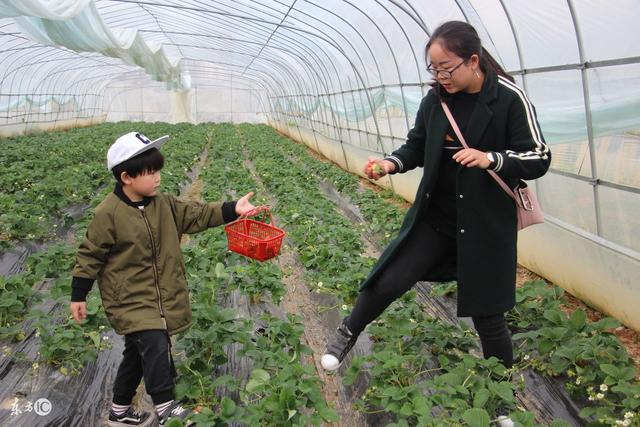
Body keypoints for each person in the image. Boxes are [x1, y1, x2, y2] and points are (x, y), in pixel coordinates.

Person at [321, 19, 550, 413]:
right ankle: (347, 332)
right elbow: (415, 146)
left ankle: (501, 403)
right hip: (437, 218)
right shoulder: (435, 101)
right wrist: (391, 164)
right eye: (434, 68)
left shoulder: (509, 99)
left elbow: (538, 156)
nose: (440, 75)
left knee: (489, 317)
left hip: (485, 228)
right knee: (390, 275)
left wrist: (492, 158)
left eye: (447, 67)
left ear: (472, 61)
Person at [69, 131, 255, 427]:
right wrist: (79, 293)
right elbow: (91, 253)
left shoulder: (164, 204)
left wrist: (234, 209)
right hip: (128, 297)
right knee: (155, 342)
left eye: (158, 170)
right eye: (151, 171)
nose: (157, 177)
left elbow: (198, 215)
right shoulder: (109, 213)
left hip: (161, 294)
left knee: (137, 354)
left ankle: (119, 412)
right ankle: (166, 406)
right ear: (127, 177)